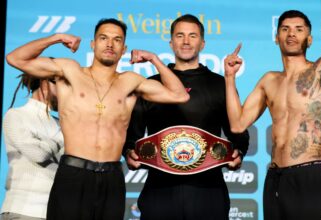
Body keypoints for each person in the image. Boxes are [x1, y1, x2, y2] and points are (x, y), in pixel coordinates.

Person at [5, 18, 189, 220]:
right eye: (103, 38)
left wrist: (154, 59)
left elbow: (179, 95)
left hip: (112, 177)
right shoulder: (69, 72)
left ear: (123, 48)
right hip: (73, 174)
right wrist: (56, 38)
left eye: (117, 40)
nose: (110, 44)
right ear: (93, 44)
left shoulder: (130, 81)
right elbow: (16, 59)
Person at [224, 10, 321, 220]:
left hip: (309, 176)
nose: (291, 34)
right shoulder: (269, 80)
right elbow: (237, 124)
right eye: (285, 29)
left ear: (310, 38)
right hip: (275, 178)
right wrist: (230, 78)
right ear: (277, 38)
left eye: (299, 29)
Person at [125, 14, 249, 220]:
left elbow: (238, 130)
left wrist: (239, 152)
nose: (186, 41)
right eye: (180, 35)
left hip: (208, 189)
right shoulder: (151, 84)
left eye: (193, 36)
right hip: (160, 189)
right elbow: (133, 133)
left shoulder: (220, 84)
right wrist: (128, 150)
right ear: (171, 42)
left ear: (202, 43)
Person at [1, 73, 63, 220]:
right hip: (24, 210)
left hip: (56, 211)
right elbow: (38, 154)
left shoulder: (60, 124)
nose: (66, 93)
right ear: (44, 83)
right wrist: (64, 135)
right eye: (63, 85)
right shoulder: (16, 115)